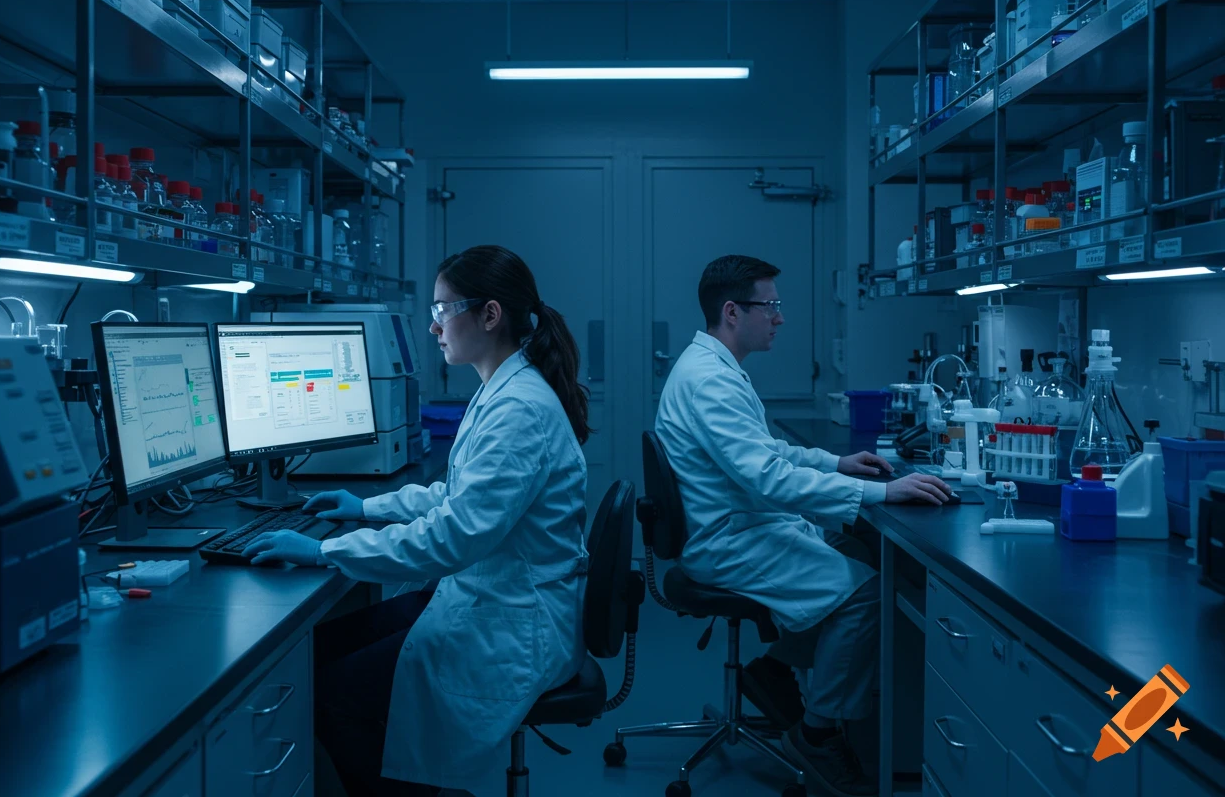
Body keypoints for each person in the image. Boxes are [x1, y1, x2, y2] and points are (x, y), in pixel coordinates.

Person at [242, 245, 592, 795]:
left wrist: (323, 551)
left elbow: (453, 538)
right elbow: (457, 497)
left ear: (490, 315)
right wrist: (365, 508)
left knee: (330, 695)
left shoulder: (518, 409)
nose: (433, 327)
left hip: (510, 623)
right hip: (488, 597)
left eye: (442, 310)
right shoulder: (503, 388)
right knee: (318, 651)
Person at [655, 254, 953, 797]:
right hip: (727, 540)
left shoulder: (714, 367)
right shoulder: (710, 381)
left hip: (741, 523)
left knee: (853, 551)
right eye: (769, 305)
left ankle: (773, 672)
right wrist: (882, 492)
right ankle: (816, 735)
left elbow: (766, 451)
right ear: (732, 312)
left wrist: (837, 463)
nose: (780, 317)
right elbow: (768, 477)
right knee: (867, 593)